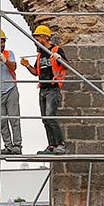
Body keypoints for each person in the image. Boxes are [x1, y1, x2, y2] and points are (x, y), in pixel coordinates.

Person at [21, 24, 68, 155]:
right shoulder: (40, 55)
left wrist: (59, 58)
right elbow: (36, 72)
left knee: (50, 117)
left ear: (44, 37)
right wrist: (27, 65)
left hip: (53, 89)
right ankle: (52, 145)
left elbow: (66, 65)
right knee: (45, 119)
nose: (35, 41)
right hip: (43, 89)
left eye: (37, 38)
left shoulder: (56, 50)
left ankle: (61, 144)